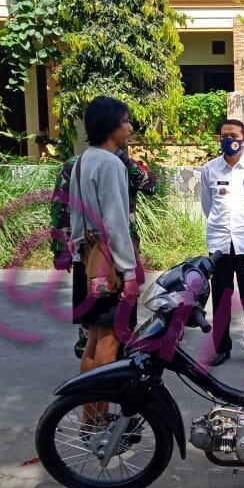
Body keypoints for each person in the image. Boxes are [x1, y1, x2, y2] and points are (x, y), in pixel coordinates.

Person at [52, 143, 158, 359]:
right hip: (93, 254)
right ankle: (99, 382)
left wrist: (126, 162)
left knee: (117, 330)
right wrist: (61, 250)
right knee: (95, 331)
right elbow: (59, 207)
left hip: (123, 249)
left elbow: (151, 186)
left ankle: (106, 374)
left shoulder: (124, 165)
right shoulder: (74, 165)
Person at [69, 96, 139, 376]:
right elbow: (115, 224)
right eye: (125, 121)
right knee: (110, 342)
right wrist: (130, 274)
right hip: (109, 267)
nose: (130, 128)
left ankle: (90, 417)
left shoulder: (83, 161)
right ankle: (98, 418)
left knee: (95, 340)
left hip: (88, 263)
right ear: (111, 127)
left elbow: (76, 220)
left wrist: (79, 256)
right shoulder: (111, 164)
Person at [200, 119, 244, 366]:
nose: (228, 140)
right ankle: (221, 347)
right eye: (224, 136)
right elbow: (207, 206)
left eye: (233, 135)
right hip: (219, 244)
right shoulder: (209, 169)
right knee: (221, 298)